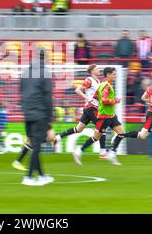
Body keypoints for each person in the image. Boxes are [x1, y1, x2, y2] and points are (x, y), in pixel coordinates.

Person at [73, 67, 127, 166]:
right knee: (96, 137)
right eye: (114, 74)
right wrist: (114, 101)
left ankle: (112, 153)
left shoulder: (104, 85)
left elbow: (96, 97)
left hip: (111, 115)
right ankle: (79, 150)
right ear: (109, 75)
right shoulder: (105, 85)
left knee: (121, 133)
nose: (115, 76)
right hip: (104, 116)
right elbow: (103, 100)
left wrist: (112, 99)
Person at [51, 64, 107, 158]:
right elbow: (77, 90)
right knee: (102, 126)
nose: (99, 70)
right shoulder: (89, 80)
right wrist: (86, 97)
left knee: (78, 129)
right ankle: (102, 152)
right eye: (97, 68)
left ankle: (58, 137)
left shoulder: (97, 81)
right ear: (92, 71)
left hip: (90, 108)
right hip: (91, 108)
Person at [20, 49, 55, 186]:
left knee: (35, 144)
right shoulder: (45, 73)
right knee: (37, 147)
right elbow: (47, 96)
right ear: (45, 58)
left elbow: (21, 91)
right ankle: (28, 177)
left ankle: (41, 176)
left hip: (27, 112)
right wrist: (49, 121)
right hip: (39, 112)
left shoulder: (25, 72)